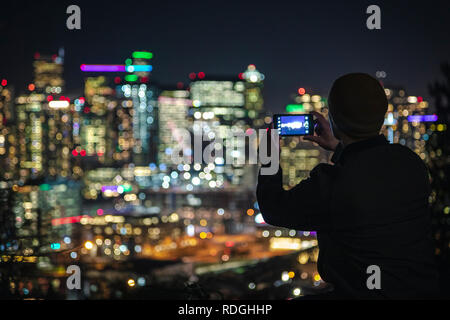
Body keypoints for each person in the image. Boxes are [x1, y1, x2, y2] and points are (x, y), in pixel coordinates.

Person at [256, 73, 439, 299]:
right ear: (382, 117)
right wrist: (339, 147)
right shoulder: (411, 163)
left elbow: (273, 208)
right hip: (420, 290)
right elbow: (371, 174)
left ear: (333, 119)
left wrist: (268, 152)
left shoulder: (331, 184)